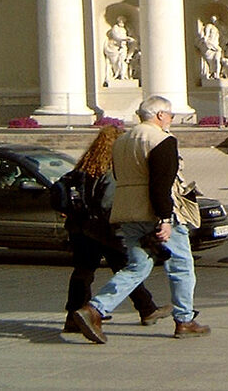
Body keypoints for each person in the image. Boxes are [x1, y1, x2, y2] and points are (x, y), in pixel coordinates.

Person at [71, 95, 209, 342]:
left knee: (137, 267)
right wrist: (165, 218)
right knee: (181, 266)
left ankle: (94, 309)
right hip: (155, 213)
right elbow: (160, 184)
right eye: (170, 116)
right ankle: (185, 320)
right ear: (159, 115)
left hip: (127, 211)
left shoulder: (122, 142)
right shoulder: (162, 140)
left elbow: (119, 176)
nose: (171, 121)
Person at [58, 125, 167, 333]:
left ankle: (73, 316)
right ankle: (146, 309)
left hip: (80, 228)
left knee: (84, 272)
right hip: (104, 231)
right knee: (126, 268)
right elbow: (108, 204)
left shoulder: (83, 169)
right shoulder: (110, 172)